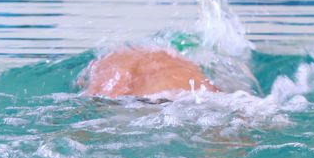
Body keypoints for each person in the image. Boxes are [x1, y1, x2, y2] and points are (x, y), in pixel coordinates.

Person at [80, 46, 218, 98]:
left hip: (150, 101)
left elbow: (101, 96)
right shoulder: (188, 66)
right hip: (200, 99)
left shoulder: (109, 64)